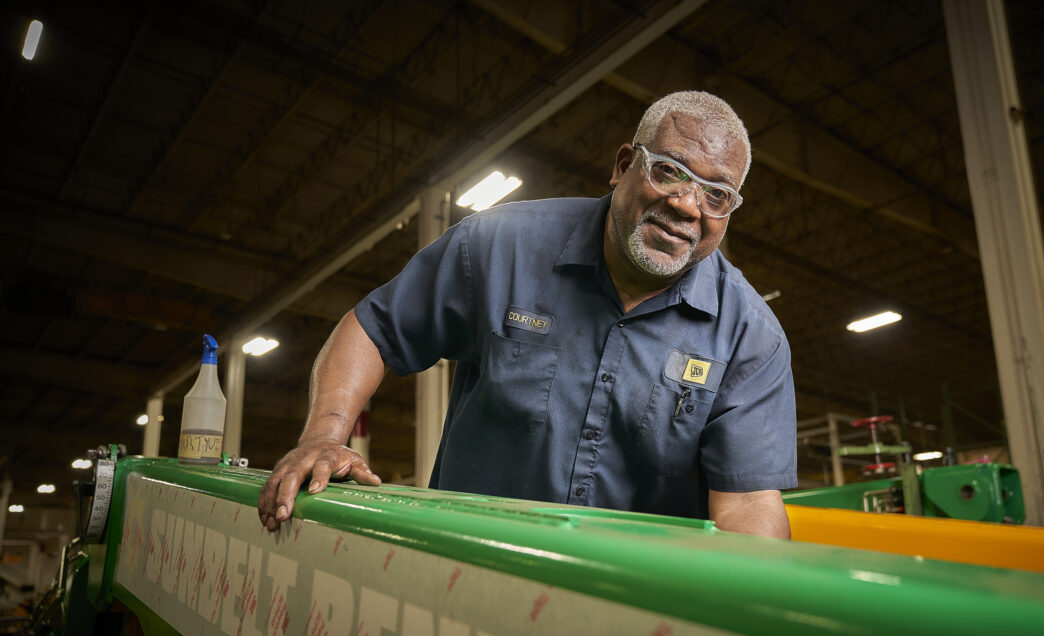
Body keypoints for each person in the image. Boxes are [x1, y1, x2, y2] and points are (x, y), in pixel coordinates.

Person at [258, 91, 796, 539]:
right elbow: (374, 330)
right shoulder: (498, 246)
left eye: (717, 196)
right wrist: (323, 436)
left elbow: (748, 503)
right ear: (623, 166)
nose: (686, 204)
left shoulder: (749, 334)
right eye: (669, 171)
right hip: (467, 571)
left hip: (632, 608)